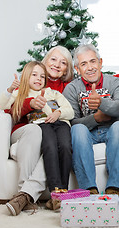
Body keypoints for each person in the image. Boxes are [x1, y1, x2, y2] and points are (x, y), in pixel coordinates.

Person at [0, 61, 73, 216]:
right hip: (37, 127)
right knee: (49, 146)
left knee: (61, 147)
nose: (39, 79)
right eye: (34, 75)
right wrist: (12, 91)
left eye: (42, 76)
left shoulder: (52, 93)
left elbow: (68, 110)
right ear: (26, 76)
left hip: (58, 125)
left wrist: (57, 113)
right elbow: (3, 108)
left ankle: (30, 195)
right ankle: (47, 193)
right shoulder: (19, 93)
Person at [63, 44, 119, 214]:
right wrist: (96, 118)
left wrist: (102, 103)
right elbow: (72, 121)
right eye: (84, 64)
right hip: (88, 134)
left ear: (100, 62)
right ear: (78, 69)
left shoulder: (117, 82)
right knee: (77, 130)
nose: (90, 67)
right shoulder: (71, 89)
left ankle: (114, 191)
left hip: (113, 130)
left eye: (93, 61)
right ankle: (89, 191)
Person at [40, 46, 75, 211]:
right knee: (50, 145)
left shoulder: (69, 87)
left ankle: (63, 192)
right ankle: (56, 193)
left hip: (62, 123)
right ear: (45, 61)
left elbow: (71, 111)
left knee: (66, 146)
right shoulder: (36, 79)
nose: (56, 65)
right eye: (53, 59)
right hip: (43, 124)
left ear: (67, 69)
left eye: (63, 63)